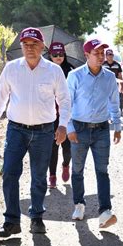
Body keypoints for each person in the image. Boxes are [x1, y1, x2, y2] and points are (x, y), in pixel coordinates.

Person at [0, 27, 71, 237]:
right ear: (22, 47)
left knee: (39, 177)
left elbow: (64, 100)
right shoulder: (11, 69)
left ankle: (36, 218)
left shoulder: (54, 71)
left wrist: (63, 126)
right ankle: (12, 221)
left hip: (44, 132)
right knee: (8, 172)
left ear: (42, 47)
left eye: (34, 44)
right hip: (16, 130)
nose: (30, 48)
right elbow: (0, 98)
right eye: (26, 44)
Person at [67, 39, 122, 228]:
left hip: (101, 129)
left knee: (102, 171)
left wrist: (117, 126)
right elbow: (66, 104)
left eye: (102, 52)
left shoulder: (109, 78)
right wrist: (69, 128)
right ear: (87, 55)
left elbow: (114, 102)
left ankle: (105, 211)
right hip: (79, 128)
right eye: (96, 53)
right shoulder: (75, 76)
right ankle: (79, 204)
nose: (101, 56)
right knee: (77, 170)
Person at [47, 42, 75, 188]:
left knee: (67, 146)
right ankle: (52, 176)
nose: (58, 57)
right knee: (52, 146)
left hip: (67, 113)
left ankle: (65, 165)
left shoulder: (71, 70)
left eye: (61, 55)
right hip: (49, 114)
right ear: (50, 55)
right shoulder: (44, 69)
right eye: (55, 55)